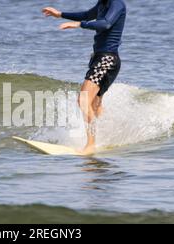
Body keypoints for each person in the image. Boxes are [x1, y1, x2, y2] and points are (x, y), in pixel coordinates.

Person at [42, 0, 126, 155]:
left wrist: (79, 25)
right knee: (94, 103)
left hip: (107, 60)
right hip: (101, 58)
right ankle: (107, 136)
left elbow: (105, 24)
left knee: (84, 99)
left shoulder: (116, 4)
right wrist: (60, 14)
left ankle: (91, 145)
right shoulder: (103, 3)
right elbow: (87, 15)